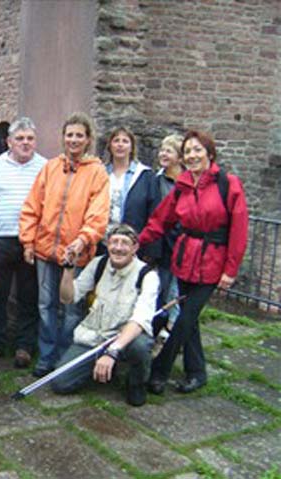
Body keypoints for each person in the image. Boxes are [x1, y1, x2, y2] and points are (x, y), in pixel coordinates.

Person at [139, 130, 249, 394]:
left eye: (198, 150)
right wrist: (136, 241)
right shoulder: (183, 186)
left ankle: (159, 370)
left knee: (185, 318)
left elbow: (239, 228)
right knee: (191, 320)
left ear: (209, 153)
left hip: (213, 260)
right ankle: (197, 372)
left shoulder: (228, 183)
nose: (192, 155)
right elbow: (161, 220)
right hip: (185, 259)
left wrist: (230, 269)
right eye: (187, 151)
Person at [19, 112, 110, 378]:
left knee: (71, 308)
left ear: (88, 139)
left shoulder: (97, 172)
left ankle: (63, 357)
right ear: (63, 138)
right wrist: (27, 241)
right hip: (45, 250)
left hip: (76, 255)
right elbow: (32, 206)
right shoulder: (50, 167)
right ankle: (46, 356)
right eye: (69, 134)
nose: (73, 139)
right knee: (45, 305)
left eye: (79, 135)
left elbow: (98, 214)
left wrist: (83, 240)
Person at [52, 224, 159, 406]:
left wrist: (112, 351)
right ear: (108, 245)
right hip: (95, 335)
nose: (118, 247)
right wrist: (69, 269)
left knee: (140, 346)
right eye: (114, 242)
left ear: (135, 248)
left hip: (125, 337)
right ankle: (99, 366)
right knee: (60, 383)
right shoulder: (98, 264)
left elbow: (139, 320)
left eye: (124, 243)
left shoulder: (148, 275)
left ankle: (136, 384)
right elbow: (67, 298)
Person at [0, 117, 46, 368]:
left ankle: (25, 346)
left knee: (29, 294)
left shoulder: (46, 167)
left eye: (30, 139)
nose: (25, 143)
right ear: (9, 142)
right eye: (20, 139)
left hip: (32, 241)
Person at [102, 127, 159, 257]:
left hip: (133, 247)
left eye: (125, 141)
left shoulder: (146, 176)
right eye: (116, 141)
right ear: (110, 146)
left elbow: (154, 213)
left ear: (132, 147)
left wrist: (148, 248)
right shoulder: (99, 173)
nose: (120, 145)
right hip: (102, 245)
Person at [152, 134, 185, 336]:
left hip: (181, 244)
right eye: (162, 149)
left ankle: (173, 329)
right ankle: (158, 327)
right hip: (163, 245)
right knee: (160, 288)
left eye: (169, 150)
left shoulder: (187, 183)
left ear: (179, 158)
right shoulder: (156, 180)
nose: (163, 154)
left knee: (177, 290)